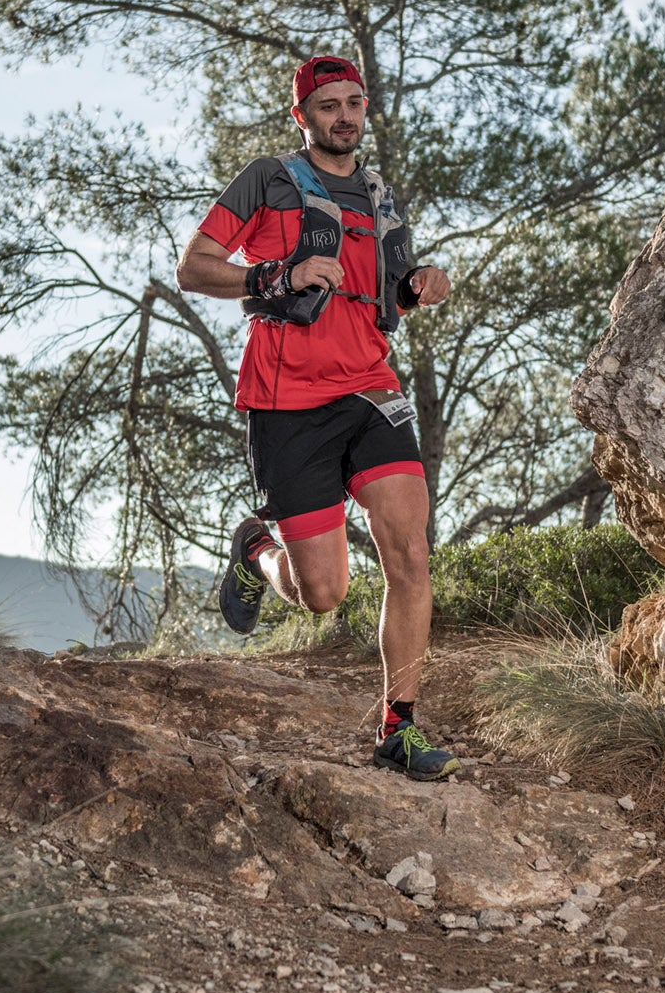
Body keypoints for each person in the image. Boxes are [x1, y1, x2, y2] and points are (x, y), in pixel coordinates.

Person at [176, 55, 459, 781]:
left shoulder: (374, 191)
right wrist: (275, 276)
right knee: (323, 594)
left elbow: (381, 291)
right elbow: (194, 265)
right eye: (327, 104)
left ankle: (399, 727)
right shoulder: (265, 180)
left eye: (354, 103)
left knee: (410, 552)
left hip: (369, 387)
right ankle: (256, 552)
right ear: (300, 115)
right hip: (286, 400)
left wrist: (421, 284)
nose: (344, 116)